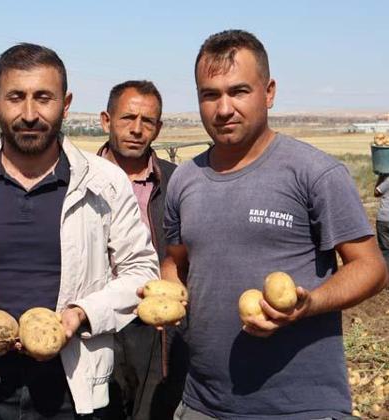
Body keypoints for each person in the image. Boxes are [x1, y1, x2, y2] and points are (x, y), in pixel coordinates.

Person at [0, 43, 159, 419]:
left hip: (73, 391)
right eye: (16, 97)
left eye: (43, 98)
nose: (29, 114)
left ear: (65, 103)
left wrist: (82, 314)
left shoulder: (105, 183)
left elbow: (141, 272)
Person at [162, 29, 387, 419]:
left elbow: (372, 268)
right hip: (203, 402)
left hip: (299, 407)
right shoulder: (184, 179)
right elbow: (175, 261)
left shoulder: (314, 172)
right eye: (210, 95)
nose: (223, 108)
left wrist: (309, 303)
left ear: (268, 92)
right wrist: (169, 294)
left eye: (239, 91)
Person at [98, 80, 186, 419]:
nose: (137, 129)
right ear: (106, 120)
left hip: (155, 330)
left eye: (147, 121)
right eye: (127, 118)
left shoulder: (177, 182)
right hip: (96, 325)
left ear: (158, 128)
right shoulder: (79, 179)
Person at [375, 171, 389, 267]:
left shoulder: (387, 179)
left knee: (385, 250)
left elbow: (376, 193)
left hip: (384, 218)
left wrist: (380, 177)